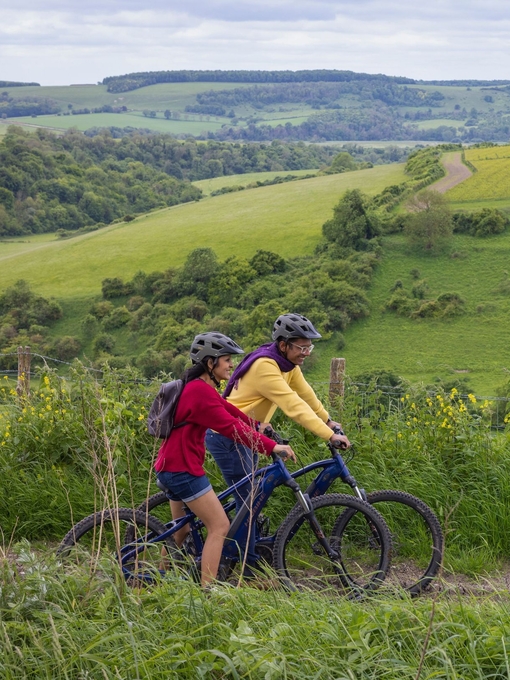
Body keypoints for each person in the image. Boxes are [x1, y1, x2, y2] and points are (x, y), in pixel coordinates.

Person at [206, 313, 350, 575]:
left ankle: (243, 555)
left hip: (250, 434)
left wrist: (328, 421)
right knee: (249, 503)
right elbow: (292, 406)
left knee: (252, 498)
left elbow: (306, 395)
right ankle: (243, 568)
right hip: (229, 436)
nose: (306, 352)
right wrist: (328, 435)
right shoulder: (266, 366)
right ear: (283, 345)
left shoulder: (287, 365)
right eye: (301, 347)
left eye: (310, 347)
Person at [154, 331, 295, 588]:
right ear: (210, 363)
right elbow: (231, 428)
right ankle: (209, 593)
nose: (232, 365)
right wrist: (272, 447)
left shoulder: (198, 386)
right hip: (183, 470)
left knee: (181, 528)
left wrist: (257, 424)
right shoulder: (199, 392)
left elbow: (229, 410)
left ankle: (157, 579)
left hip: (169, 466)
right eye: (227, 359)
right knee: (219, 526)